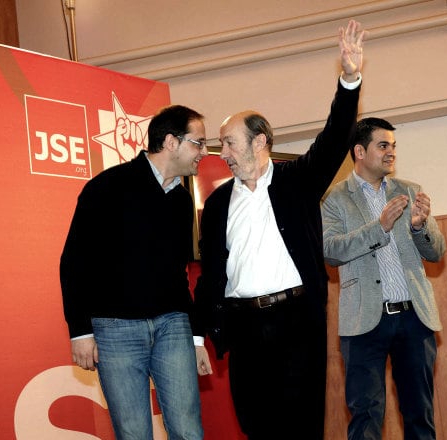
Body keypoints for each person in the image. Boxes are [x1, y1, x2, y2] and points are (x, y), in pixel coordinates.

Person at [192, 19, 365, 440]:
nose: (223, 153)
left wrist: (349, 79)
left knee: (301, 426)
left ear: (261, 142)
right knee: (256, 425)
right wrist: (199, 336)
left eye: (230, 143)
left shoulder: (297, 181)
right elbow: (211, 276)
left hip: (296, 323)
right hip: (243, 329)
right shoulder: (215, 205)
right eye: (220, 144)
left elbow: (334, 137)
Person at [60, 104, 209, 440]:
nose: (203, 151)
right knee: (133, 433)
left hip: (173, 325)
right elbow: (74, 263)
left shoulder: (183, 201)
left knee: (188, 429)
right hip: (115, 330)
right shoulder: (106, 188)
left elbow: (180, 273)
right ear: (171, 142)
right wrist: (80, 331)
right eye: (197, 143)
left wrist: (194, 337)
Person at [321, 117, 446, 440]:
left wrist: (420, 226)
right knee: (366, 416)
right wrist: (380, 228)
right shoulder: (335, 199)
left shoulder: (410, 191)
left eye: (393, 146)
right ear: (359, 151)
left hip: (414, 319)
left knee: (420, 412)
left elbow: (437, 252)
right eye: (383, 145)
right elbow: (331, 250)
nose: (391, 152)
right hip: (364, 321)